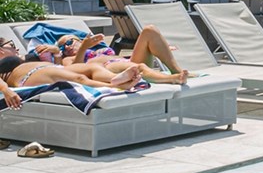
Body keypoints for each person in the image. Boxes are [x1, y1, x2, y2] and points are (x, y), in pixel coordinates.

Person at [0, 39, 144, 110]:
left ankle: (115, 79)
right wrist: (6, 90)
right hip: (31, 75)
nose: (15, 48)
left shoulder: (21, 56)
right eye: (11, 45)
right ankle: (117, 86)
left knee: (92, 68)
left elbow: (58, 61)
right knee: (79, 79)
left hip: (51, 68)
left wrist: (56, 52)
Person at [50, 26, 189, 84]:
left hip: (125, 62)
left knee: (149, 30)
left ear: (79, 40)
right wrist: (83, 48)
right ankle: (172, 79)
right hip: (107, 68)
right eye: (62, 47)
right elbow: (73, 71)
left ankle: (177, 71)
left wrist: (159, 48)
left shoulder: (96, 50)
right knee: (139, 67)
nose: (66, 47)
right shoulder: (69, 59)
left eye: (69, 42)